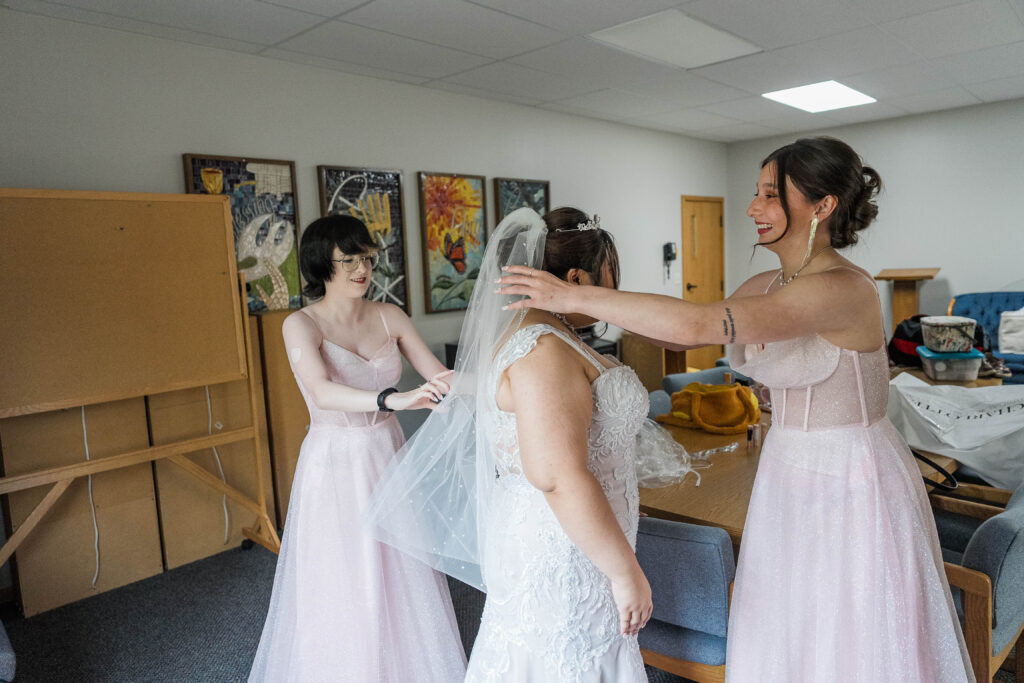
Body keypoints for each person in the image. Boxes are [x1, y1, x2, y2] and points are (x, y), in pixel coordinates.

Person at [496, 137, 975, 682]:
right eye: (756, 194)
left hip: (850, 473)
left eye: (771, 196)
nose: (753, 209)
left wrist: (574, 297)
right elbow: (696, 316)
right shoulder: (764, 284)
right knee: (786, 617)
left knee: (850, 620)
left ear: (823, 206)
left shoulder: (847, 290)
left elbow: (698, 327)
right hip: (784, 467)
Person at [365, 207, 685, 682]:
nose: (611, 295)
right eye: (607, 280)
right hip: (567, 541)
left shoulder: (541, 336)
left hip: (567, 530)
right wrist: (624, 573)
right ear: (576, 277)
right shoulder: (545, 349)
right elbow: (557, 476)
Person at [248, 215, 466, 683]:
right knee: (342, 567)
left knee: (400, 562)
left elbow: (438, 375)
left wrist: (497, 379)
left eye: (366, 258)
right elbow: (322, 392)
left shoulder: (389, 315)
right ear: (320, 264)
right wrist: (394, 399)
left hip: (387, 450)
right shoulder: (299, 324)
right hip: (335, 459)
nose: (361, 269)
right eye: (348, 260)